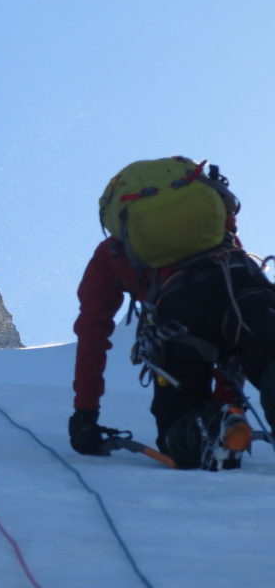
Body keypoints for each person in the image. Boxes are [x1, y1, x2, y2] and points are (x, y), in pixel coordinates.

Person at [69, 157, 275, 469]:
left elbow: (92, 331)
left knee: (177, 420)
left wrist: (85, 413)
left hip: (181, 314)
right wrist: (230, 403)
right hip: (247, 281)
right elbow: (235, 334)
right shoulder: (213, 232)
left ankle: (208, 434)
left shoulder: (111, 254)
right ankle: (221, 426)